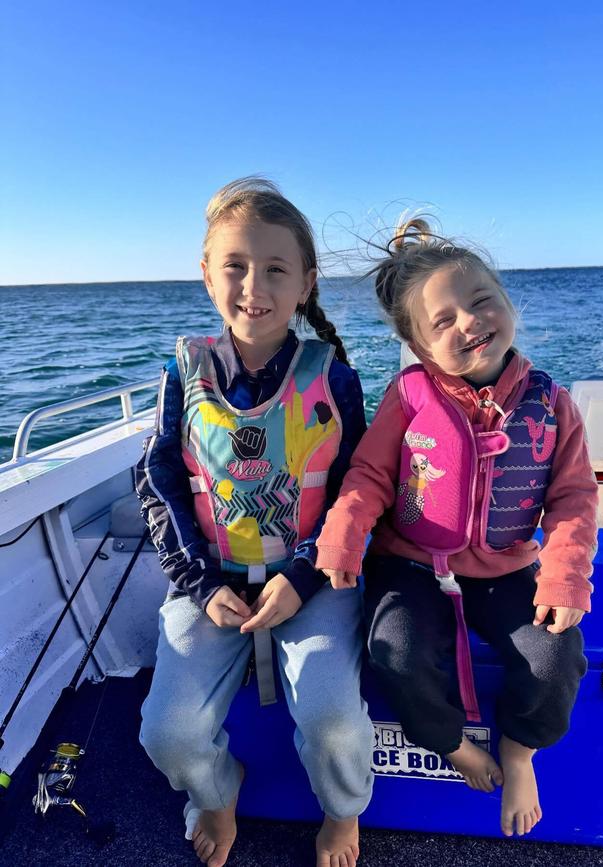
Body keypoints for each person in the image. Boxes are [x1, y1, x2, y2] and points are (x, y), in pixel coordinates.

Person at [316, 219, 598, 838]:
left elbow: (574, 499)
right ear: (419, 346)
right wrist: (343, 534)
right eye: (443, 321)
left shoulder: (552, 404)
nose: (468, 323)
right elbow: (368, 474)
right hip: (411, 564)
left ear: (506, 301)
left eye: (480, 302)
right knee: (394, 652)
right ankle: (449, 743)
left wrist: (564, 579)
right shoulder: (410, 394)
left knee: (556, 659)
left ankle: (520, 750)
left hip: (508, 570)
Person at [136, 177, 374, 867]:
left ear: (305, 282)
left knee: (333, 720)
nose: (252, 285)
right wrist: (202, 583)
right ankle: (216, 790)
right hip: (210, 581)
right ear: (206, 272)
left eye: (275, 268)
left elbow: (357, 488)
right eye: (235, 266)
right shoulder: (185, 373)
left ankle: (342, 808)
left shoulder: (332, 376)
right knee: (167, 731)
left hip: (315, 580)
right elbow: (160, 483)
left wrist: (303, 575)